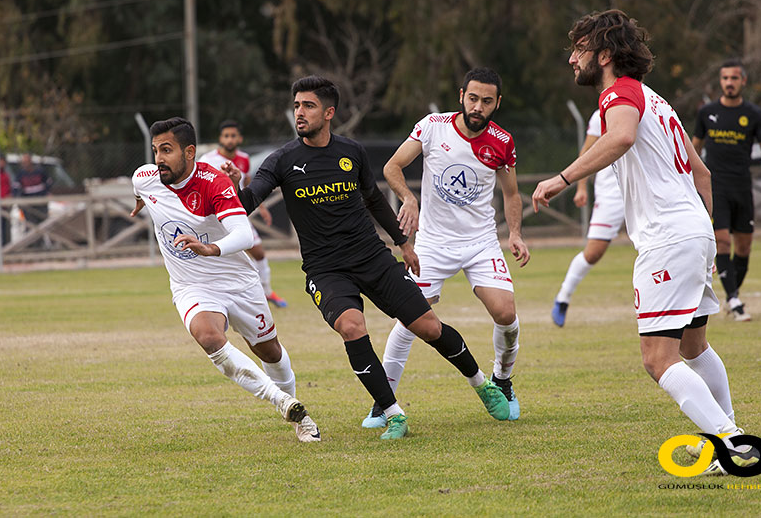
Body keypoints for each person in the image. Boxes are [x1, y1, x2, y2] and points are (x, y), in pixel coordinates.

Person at [532, 10, 759, 476]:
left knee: (658, 359)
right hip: (690, 232)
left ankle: (732, 444)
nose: (572, 59)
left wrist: (562, 177)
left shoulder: (620, 92)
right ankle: (727, 433)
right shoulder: (657, 100)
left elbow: (620, 137)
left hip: (667, 239)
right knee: (694, 347)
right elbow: (703, 173)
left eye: (579, 49)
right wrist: (707, 236)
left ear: (606, 54)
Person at [223, 75, 510, 440]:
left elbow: (373, 199)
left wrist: (404, 243)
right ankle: (393, 414)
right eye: (296, 105)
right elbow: (246, 203)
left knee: (430, 327)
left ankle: (481, 383)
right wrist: (234, 186)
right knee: (352, 327)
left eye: (308, 106)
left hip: (373, 258)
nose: (299, 112)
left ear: (329, 113)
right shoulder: (282, 160)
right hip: (325, 269)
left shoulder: (351, 152)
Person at [129, 117, 320, 443]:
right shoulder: (146, 178)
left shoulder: (213, 182)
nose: (159, 158)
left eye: (167, 150)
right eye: (155, 150)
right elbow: (139, 188)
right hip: (191, 286)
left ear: (189, 152)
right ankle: (283, 402)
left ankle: (296, 409)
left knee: (269, 351)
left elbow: (244, 234)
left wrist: (210, 248)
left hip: (238, 282)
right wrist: (139, 201)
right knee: (208, 336)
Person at [360, 67, 530, 428]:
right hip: (433, 244)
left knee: (506, 313)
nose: (478, 106)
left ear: (497, 103)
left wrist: (514, 233)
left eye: (486, 101)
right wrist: (408, 198)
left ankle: (503, 380)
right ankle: (383, 402)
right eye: (473, 98)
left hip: (480, 241)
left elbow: (512, 194)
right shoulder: (433, 126)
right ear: (461, 96)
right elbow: (393, 166)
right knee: (409, 317)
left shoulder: (503, 142)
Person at [691, 59, 761, 322]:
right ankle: (733, 300)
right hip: (716, 186)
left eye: (734, 78)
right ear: (720, 82)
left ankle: (733, 294)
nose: (729, 83)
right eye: (725, 78)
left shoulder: (754, 114)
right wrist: (686, 175)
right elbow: (694, 148)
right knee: (723, 242)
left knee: (743, 247)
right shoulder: (707, 113)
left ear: (743, 81)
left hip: (742, 187)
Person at [199, 120, 288, 308]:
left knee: (259, 252)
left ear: (239, 138)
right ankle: (221, 296)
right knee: (222, 257)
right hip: (216, 217)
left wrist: (261, 207)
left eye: (233, 135)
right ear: (220, 138)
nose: (229, 139)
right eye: (226, 136)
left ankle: (267, 291)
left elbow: (247, 183)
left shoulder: (244, 158)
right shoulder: (207, 160)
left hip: (237, 214)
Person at [551, 109, 625, 327]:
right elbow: (587, 153)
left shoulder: (648, 105)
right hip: (611, 191)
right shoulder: (600, 114)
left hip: (642, 188)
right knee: (593, 253)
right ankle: (563, 298)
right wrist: (581, 187)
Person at [13, 153, 52, 227]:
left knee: (44, 224)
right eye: (23, 162)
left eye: (26, 161)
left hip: (41, 202)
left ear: (30, 161)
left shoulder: (40, 171)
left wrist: (46, 192)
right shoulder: (20, 174)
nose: (25, 164)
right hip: (28, 204)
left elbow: (49, 182)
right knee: (31, 226)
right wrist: (18, 198)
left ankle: (42, 238)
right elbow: (16, 187)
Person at [0, 155, 11, 246]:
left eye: (3, 162)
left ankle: (4, 247)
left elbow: (9, 189)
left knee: (4, 228)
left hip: (4, 206)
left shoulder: (6, 175)